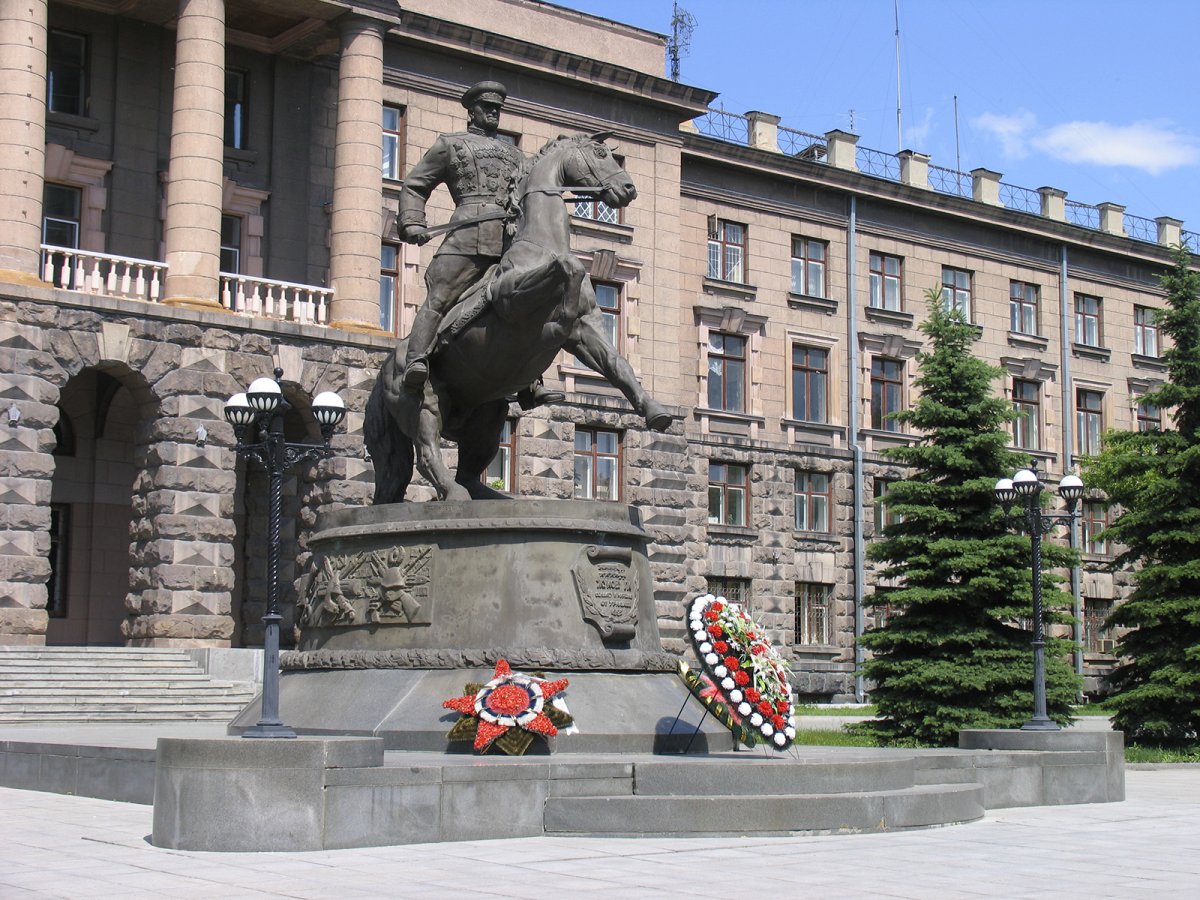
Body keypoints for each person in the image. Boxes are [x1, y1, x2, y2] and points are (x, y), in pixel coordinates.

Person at [396, 80, 563, 407]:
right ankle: (416, 361)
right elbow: (416, 184)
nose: (493, 113)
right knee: (440, 297)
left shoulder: (516, 155)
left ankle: (531, 383)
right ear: (471, 111)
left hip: (508, 241)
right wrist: (412, 221)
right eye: (487, 108)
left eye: (497, 109)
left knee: (528, 303)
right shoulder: (451, 145)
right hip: (466, 238)